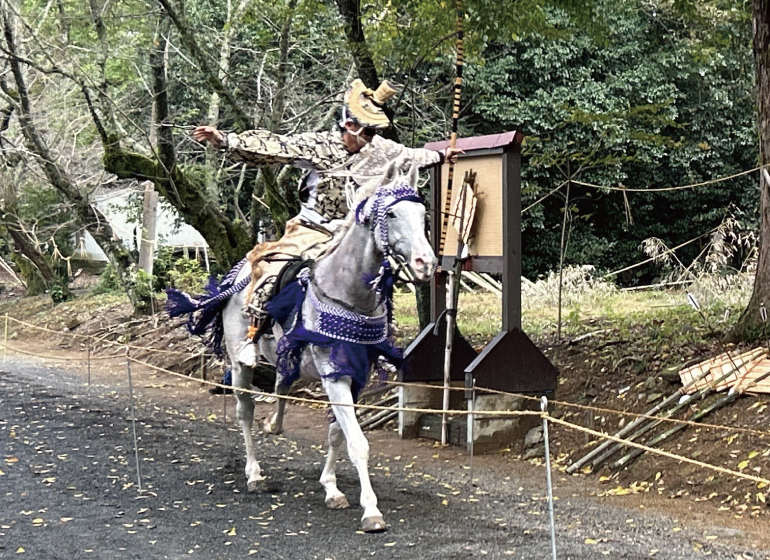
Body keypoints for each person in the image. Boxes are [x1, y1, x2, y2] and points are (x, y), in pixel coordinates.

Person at [193, 78, 461, 338]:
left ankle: (375, 337)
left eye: (374, 132)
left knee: (380, 275)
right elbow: (276, 145)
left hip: (354, 233)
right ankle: (254, 333)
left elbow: (411, 155)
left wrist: (441, 156)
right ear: (349, 124)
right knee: (273, 270)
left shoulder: (381, 149)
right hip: (313, 228)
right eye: (367, 131)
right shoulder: (320, 145)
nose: (371, 138)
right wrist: (226, 140)